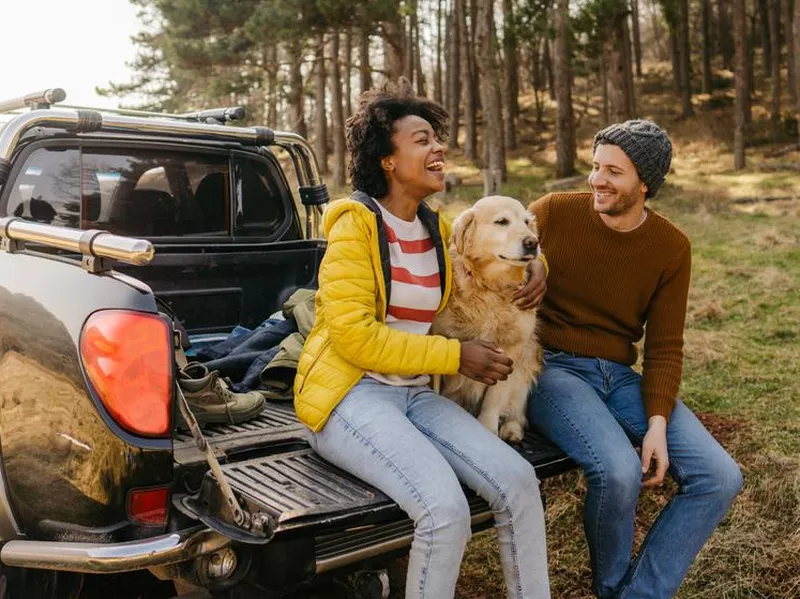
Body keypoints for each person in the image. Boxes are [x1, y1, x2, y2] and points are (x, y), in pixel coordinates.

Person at [294, 81, 551, 599]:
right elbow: (354, 338)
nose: (438, 149)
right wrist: (456, 354)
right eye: (421, 139)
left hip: (416, 393)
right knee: (444, 508)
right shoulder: (355, 226)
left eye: (438, 139)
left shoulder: (436, 228)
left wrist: (539, 261)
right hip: (351, 395)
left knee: (521, 484)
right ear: (387, 159)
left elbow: (497, 239)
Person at [526, 119, 743, 599]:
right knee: (619, 471)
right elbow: (498, 253)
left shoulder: (671, 247)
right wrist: (532, 266)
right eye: (595, 166)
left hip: (620, 376)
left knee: (719, 476)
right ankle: (611, 589)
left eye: (613, 172)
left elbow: (666, 345)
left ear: (644, 183)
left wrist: (658, 424)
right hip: (552, 368)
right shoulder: (554, 213)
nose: (597, 180)